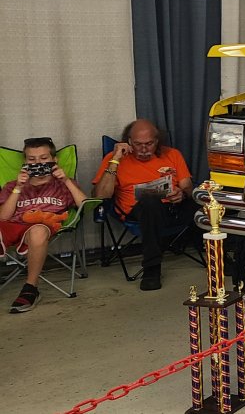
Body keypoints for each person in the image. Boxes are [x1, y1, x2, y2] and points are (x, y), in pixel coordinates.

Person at [92, 119, 197, 291]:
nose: (143, 149)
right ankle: (152, 269)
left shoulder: (172, 154)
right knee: (150, 202)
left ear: (157, 141)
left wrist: (182, 193)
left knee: (209, 199)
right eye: (138, 144)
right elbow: (100, 196)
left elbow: (187, 186)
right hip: (139, 211)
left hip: (172, 208)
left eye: (149, 144)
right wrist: (116, 159)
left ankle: (222, 258)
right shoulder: (114, 159)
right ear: (129, 141)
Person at [0, 137, 88, 313]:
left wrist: (66, 180)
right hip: (11, 226)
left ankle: (30, 288)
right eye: (31, 160)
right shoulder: (12, 186)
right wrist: (19, 187)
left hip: (43, 227)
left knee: (38, 230)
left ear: (54, 161)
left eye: (43, 158)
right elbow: (3, 217)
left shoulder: (63, 185)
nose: (37, 163)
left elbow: (86, 204)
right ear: (25, 162)